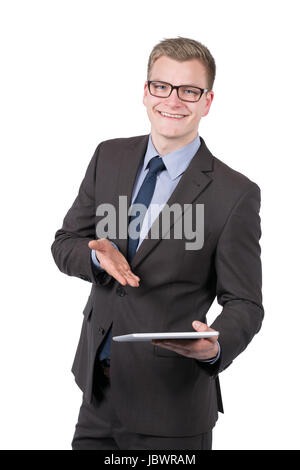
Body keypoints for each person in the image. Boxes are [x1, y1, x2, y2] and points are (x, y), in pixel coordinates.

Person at [51, 36, 264, 450]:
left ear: (207, 101)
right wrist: (96, 262)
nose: (174, 100)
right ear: (146, 92)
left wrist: (213, 348)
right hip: (96, 395)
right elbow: (66, 243)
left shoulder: (234, 194)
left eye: (189, 90)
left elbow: (246, 303)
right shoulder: (107, 157)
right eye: (162, 86)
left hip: (171, 408)